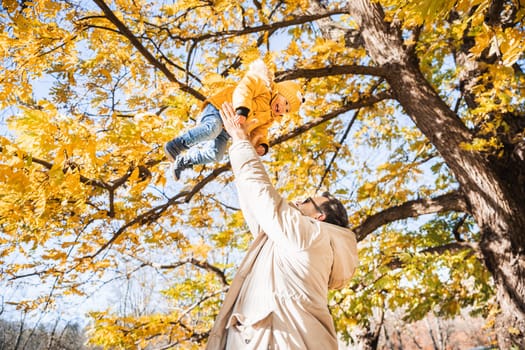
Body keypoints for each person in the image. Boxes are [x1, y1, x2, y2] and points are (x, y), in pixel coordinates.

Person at [205, 102, 359, 349]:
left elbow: (264, 197)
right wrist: (245, 148)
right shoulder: (289, 243)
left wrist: (241, 140)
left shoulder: (313, 237)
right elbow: (257, 205)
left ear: (320, 217)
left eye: (308, 201)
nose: (298, 200)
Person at [164, 59, 304, 180]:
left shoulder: (270, 118)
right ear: (279, 92)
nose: (282, 109)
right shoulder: (263, 88)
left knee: (216, 154)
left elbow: (260, 131)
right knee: (212, 129)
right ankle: (176, 145)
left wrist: (261, 145)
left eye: (287, 110)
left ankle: (183, 161)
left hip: (228, 128)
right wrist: (242, 110)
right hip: (221, 108)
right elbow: (244, 89)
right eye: (285, 103)